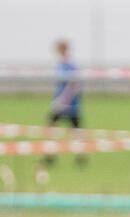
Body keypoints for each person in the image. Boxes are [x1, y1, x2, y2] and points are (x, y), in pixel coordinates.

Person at [37, 38, 85, 176]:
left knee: (74, 131)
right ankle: (52, 155)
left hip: (69, 105)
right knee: (54, 127)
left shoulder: (69, 65)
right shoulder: (61, 64)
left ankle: (79, 156)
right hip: (63, 103)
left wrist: (63, 101)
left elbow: (73, 85)